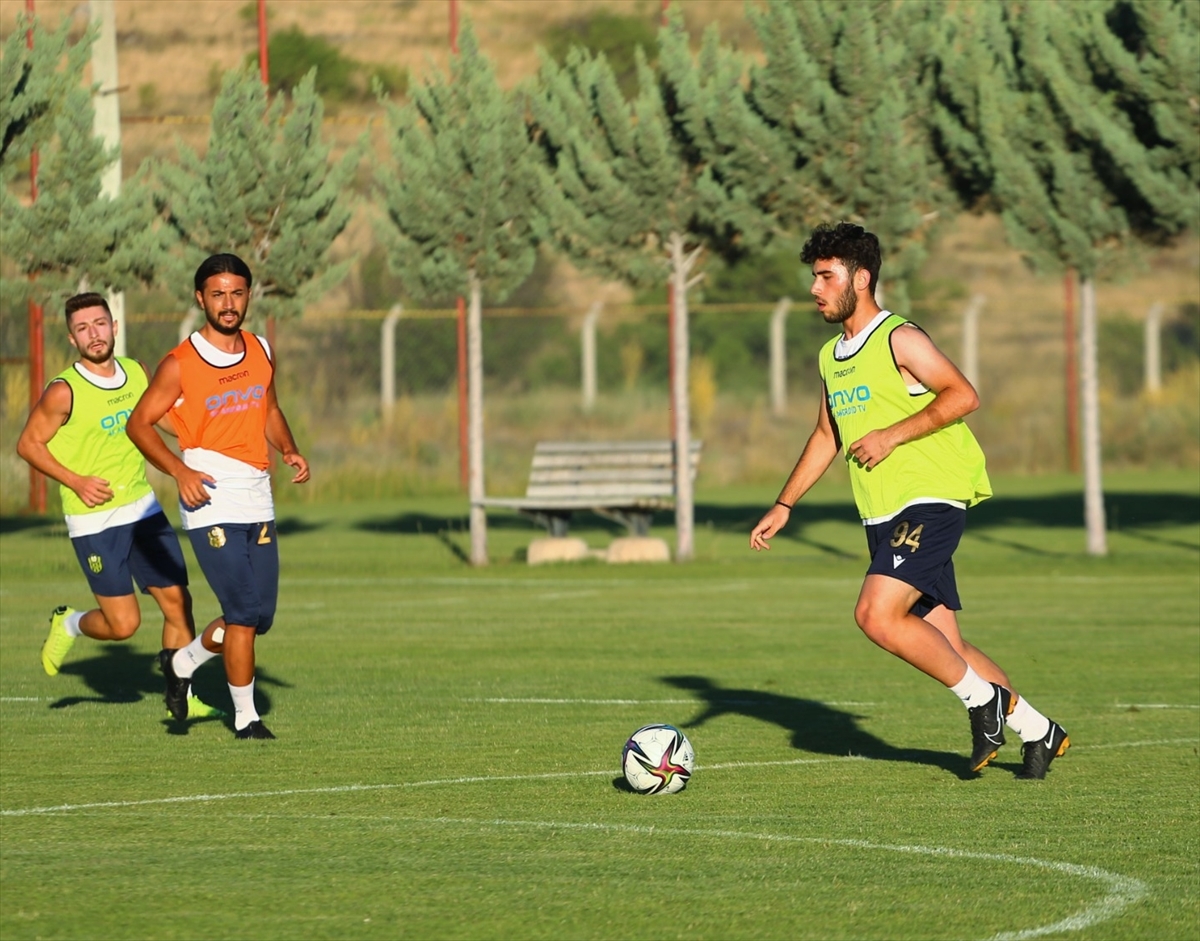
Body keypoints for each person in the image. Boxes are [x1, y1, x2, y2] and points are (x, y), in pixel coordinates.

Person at [749, 223, 1069, 780]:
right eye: (814, 277)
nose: (815, 288)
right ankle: (1040, 732)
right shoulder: (831, 357)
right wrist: (786, 504)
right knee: (947, 643)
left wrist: (892, 434)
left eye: (826, 276)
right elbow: (828, 435)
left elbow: (963, 395)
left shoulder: (899, 337)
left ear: (861, 277)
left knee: (874, 614)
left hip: (932, 499)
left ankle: (983, 703)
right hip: (883, 512)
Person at [16, 292, 223, 723]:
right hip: (94, 521)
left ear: (114, 325)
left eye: (100, 324)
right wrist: (76, 481)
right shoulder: (63, 392)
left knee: (177, 604)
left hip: (143, 510)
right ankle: (69, 623)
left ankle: (181, 695)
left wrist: (199, 437)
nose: (94, 334)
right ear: (72, 339)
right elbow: (28, 444)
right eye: (83, 328)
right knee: (123, 625)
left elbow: (154, 417)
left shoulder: (135, 371)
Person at [127, 254, 309, 740]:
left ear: (248, 295)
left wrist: (288, 448)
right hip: (210, 497)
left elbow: (269, 408)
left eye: (237, 293)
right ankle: (246, 718)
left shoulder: (261, 348)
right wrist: (178, 470)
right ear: (200, 298)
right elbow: (138, 424)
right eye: (218, 294)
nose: (228, 304)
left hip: (257, 495)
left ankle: (183, 662)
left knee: (259, 616)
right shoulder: (180, 363)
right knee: (243, 614)